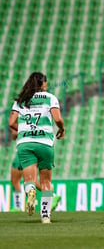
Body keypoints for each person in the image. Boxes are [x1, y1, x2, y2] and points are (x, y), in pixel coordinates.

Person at [8, 72, 65, 223]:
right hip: (44, 143)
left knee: (29, 180)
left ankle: (31, 192)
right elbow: (58, 119)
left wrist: (24, 129)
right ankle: (45, 216)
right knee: (46, 181)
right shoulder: (50, 98)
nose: (46, 86)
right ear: (42, 84)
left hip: (25, 143)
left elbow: (11, 122)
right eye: (45, 83)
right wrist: (62, 128)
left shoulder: (20, 100)